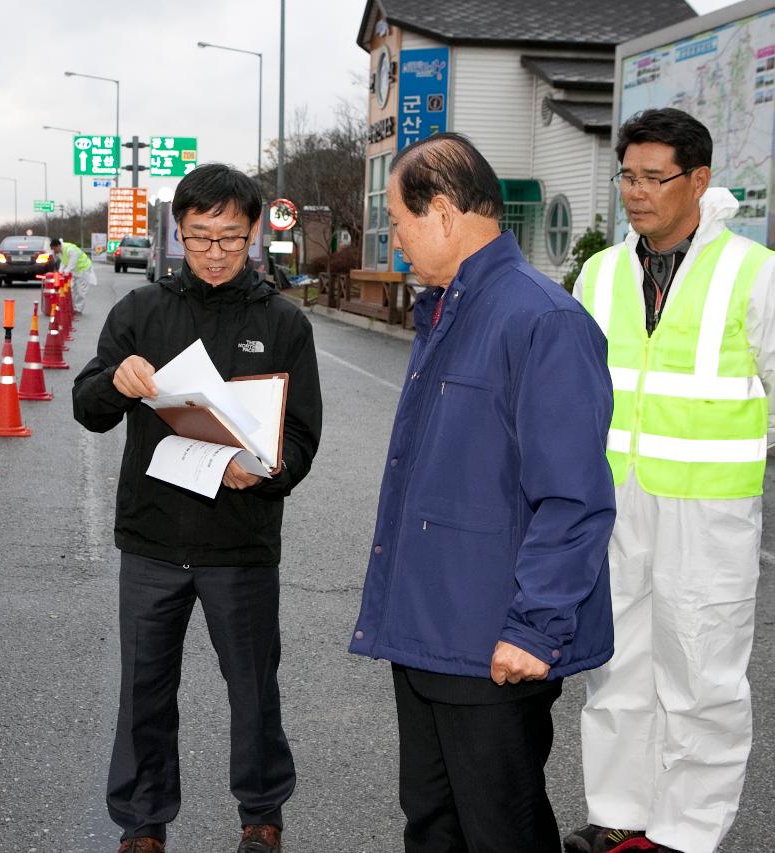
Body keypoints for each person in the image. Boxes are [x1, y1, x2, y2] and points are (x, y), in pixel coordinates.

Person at [349, 133, 616, 852]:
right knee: (434, 823)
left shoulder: (541, 319)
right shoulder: (450, 308)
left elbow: (575, 497)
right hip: (432, 629)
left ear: (441, 212)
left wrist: (533, 628)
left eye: (400, 222)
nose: (397, 240)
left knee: (502, 828)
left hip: (493, 639)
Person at [73, 163, 322, 853]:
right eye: (200, 236)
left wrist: (265, 471)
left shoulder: (282, 323)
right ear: (178, 232)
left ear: (253, 235)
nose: (215, 252)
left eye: (231, 238)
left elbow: (301, 436)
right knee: (143, 691)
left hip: (240, 544)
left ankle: (262, 816)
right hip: (153, 540)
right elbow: (88, 407)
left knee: (253, 690)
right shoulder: (142, 312)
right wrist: (114, 382)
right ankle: (143, 823)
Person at [567, 108, 775, 853]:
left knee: (702, 674)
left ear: (700, 180)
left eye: (655, 177)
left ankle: (687, 833)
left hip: (708, 510)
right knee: (616, 663)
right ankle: (621, 811)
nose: (636, 192)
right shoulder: (599, 272)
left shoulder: (753, 272)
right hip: (615, 504)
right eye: (627, 175)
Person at [51, 235, 96, 314]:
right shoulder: (61, 251)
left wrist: (65, 273)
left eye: (54, 249)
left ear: (58, 246)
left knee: (81, 291)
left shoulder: (70, 249)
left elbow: (72, 263)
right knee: (72, 290)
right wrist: (60, 273)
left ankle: (78, 309)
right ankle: (72, 307)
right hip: (75, 271)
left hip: (84, 269)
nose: (54, 251)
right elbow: (64, 262)